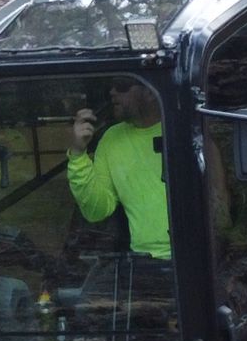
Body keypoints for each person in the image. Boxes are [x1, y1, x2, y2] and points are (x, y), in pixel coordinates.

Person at [67, 77, 170, 260]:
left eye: (122, 85)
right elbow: (96, 210)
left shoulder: (183, 129)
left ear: (149, 91)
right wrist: (77, 154)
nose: (113, 92)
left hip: (193, 256)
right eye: (110, 85)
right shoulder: (111, 139)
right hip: (145, 261)